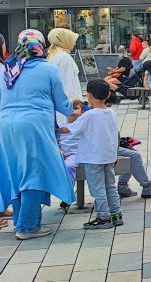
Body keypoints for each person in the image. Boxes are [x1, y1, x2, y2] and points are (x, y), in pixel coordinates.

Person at [0, 30, 75, 239]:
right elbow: (63, 105)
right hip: (34, 126)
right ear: (40, 46)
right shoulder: (48, 69)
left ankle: (19, 221)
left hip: (5, 126)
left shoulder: (7, 68)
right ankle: (27, 227)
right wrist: (74, 108)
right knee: (33, 173)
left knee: (16, 171)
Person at [58, 80, 123, 229]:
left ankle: (103, 217)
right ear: (108, 95)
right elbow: (115, 136)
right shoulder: (111, 113)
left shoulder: (89, 115)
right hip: (109, 157)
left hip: (93, 159)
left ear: (89, 96)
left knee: (97, 189)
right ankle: (116, 214)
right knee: (110, 186)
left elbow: (69, 130)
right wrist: (115, 155)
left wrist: (56, 128)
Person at [47, 28, 82, 110]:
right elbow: (67, 84)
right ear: (64, 40)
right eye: (71, 39)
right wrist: (76, 105)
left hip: (58, 103)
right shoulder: (64, 57)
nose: (74, 43)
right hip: (67, 106)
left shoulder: (53, 54)